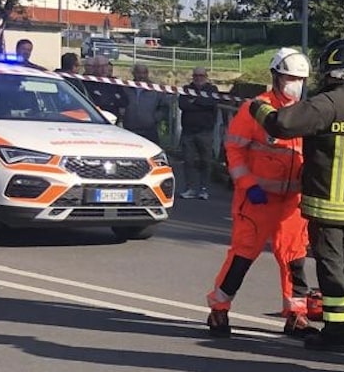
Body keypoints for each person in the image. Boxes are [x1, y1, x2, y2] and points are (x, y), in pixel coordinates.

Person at [250, 38, 344, 353]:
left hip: (326, 206)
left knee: (330, 269)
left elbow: (281, 125)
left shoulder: (326, 104)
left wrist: (256, 107)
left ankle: (336, 334)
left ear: (328, 68)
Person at [206, 48, 316, 339]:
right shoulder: (256, 109)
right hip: (257, 199)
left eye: (300, 79)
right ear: (276, 77)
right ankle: (219, 309)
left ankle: (297, 315)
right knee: (243, 255)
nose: (295, 83)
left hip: (292, 202)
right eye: (290, 78)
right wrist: (248, 185)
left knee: (294, 258)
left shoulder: (305, 114)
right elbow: (234, 148)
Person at [178, 67, 220, 200]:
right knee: (188, 161)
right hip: (188, 131)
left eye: (201, 75)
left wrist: (195, 101)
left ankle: (204, 189)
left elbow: (211, 103)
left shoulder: (212, 90)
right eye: (196, 75)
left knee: (205, 161)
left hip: (205, 131)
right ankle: (190, 188)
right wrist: (201, 103)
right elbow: (183, 105)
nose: (198, 78)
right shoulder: (186, 89)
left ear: (206, 76)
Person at [121, 63, 169, 143]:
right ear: (133, 73)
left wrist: (154, 118)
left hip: (149, 131)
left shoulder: (156, 89)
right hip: (129, 130)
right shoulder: (126, 88)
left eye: (144, 73)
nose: (141, 76)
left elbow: (164, 107)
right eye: (139, 73)